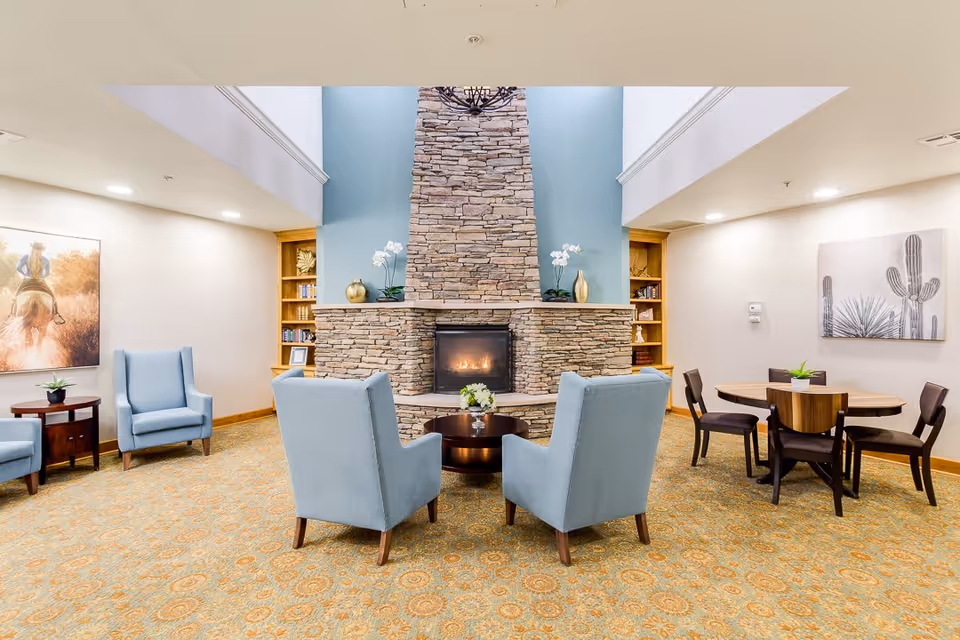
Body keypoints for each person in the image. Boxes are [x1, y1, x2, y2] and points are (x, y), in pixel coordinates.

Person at [10, 242, 66, 324]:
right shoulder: (45, 260)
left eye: (39, 249)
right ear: (33, 249)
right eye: (37, 249)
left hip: (27, 280)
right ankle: (56, 315)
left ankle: (12, 315)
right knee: (53, 298)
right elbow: (47, 273)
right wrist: (41, 277)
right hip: (40, 281)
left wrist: (25, 274)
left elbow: (18, 267)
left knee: (15, 297)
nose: (38, 251)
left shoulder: (26, 258)